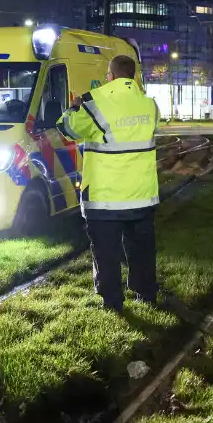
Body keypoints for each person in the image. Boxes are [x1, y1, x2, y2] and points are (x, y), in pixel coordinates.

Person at [58, 55, 161, 312]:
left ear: (111, 76)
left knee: (106, 252)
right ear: (134, 76)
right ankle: (146, 293)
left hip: (105, 197)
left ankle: (113, 301)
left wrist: (73, 107)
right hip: (141, 194)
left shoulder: (95, 103)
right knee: (142, 249)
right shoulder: (150, 105)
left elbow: (67, 128)